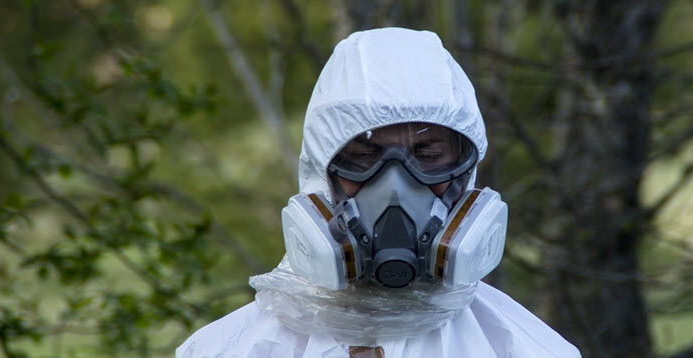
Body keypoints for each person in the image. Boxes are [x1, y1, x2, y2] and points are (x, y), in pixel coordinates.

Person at [177, 27, 581, 358]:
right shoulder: (228, 351)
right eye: (363, 155)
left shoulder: (522, 349)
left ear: (466, 172)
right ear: (322, 174)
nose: (395, 187)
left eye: (427, 154)